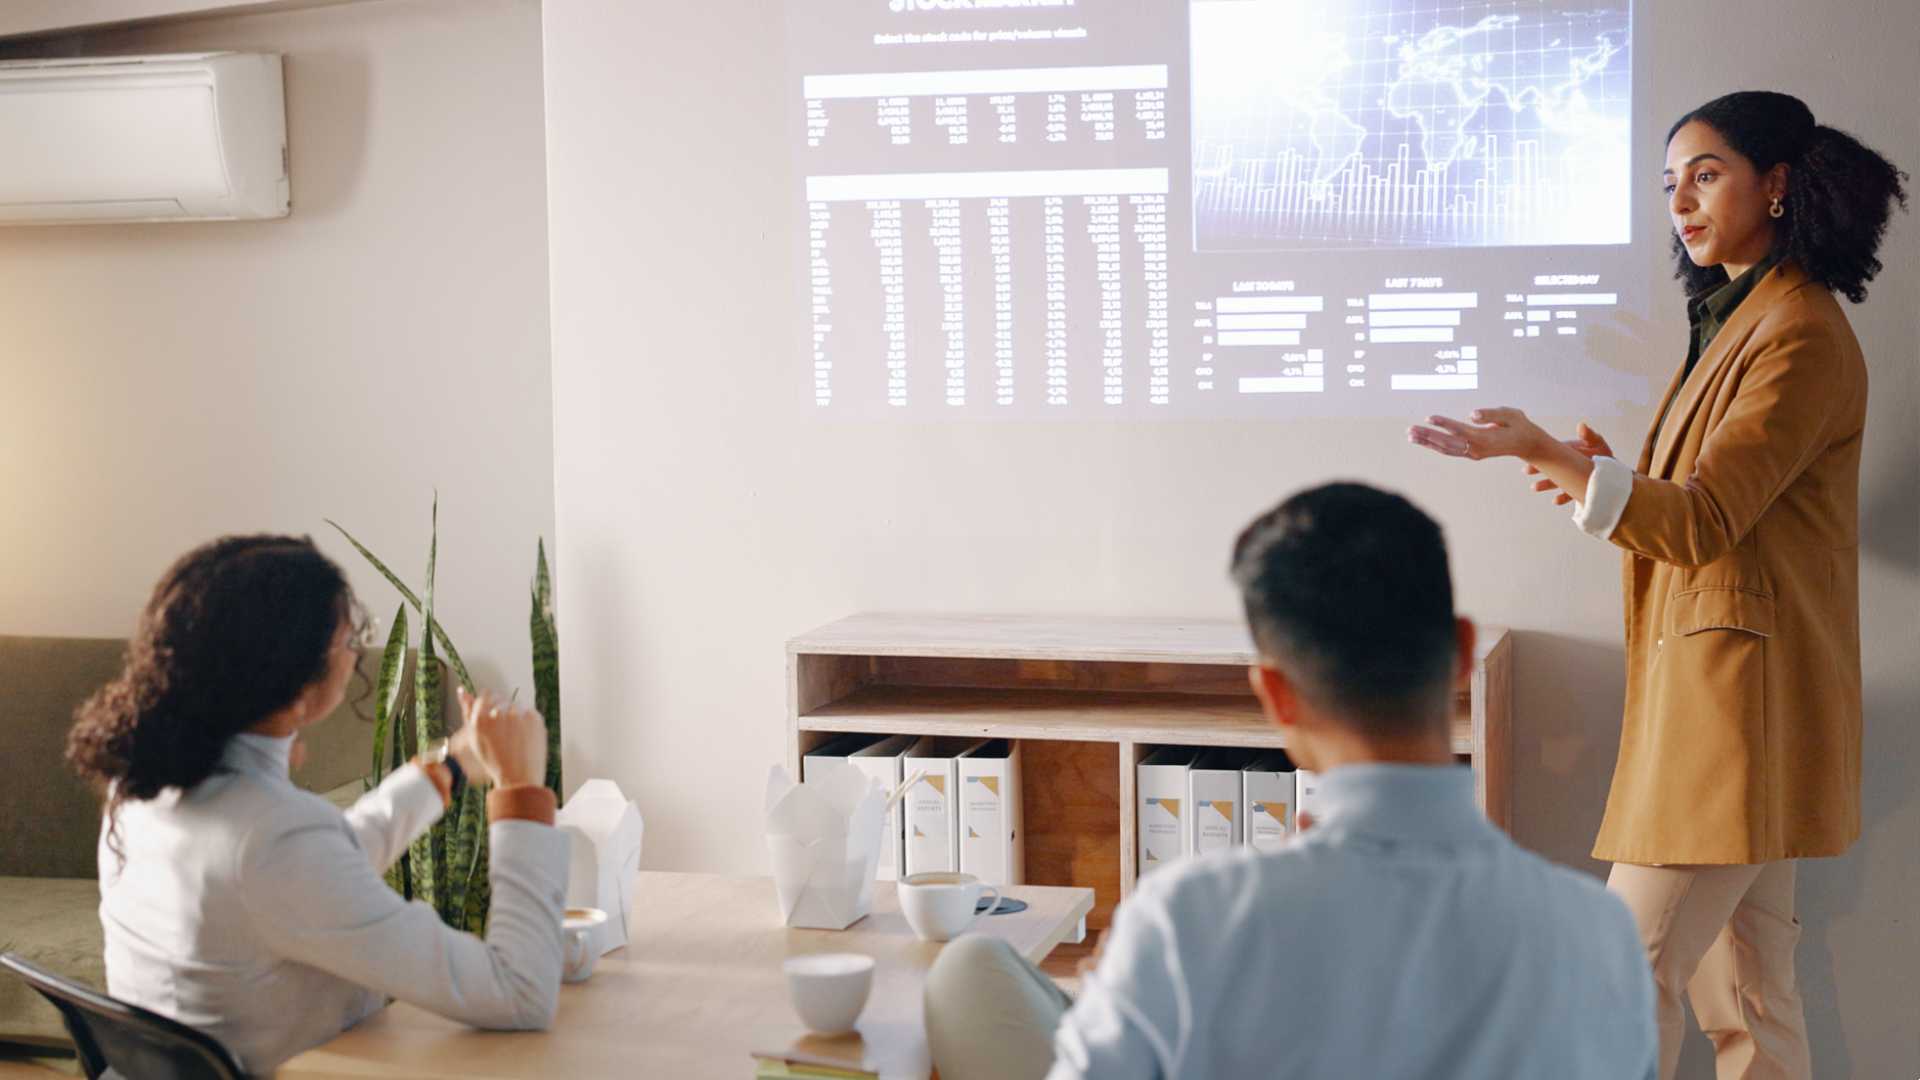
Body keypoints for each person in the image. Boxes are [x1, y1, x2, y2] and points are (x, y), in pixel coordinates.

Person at [1408, 91, 1906, 1080]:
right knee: (1752, 997)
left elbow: (1704, 521)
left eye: (1705, 175)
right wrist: (1588, 470)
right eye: (1671, 182)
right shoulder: (1744, 319)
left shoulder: (1797, 332)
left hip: (1734, 715)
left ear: (1776, 184)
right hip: (1736, 706)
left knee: (1623, 975)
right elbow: (1710, 510)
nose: (1680, 202)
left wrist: (1548, 452)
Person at [921, 482, 1656, 1079]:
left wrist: (1123, 981)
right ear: (1461, 654)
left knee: (969, 968)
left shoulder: (1186, 917)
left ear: (1274, 695)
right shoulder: (1600, 934)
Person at [65, 535, 568, 1075]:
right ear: (296, 683)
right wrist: (521, 789)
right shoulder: (272, 838)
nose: (356, 654)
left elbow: (321, 866)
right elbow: (520, 992)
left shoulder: (140, 789)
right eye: (352, 639)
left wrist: (452, 764)